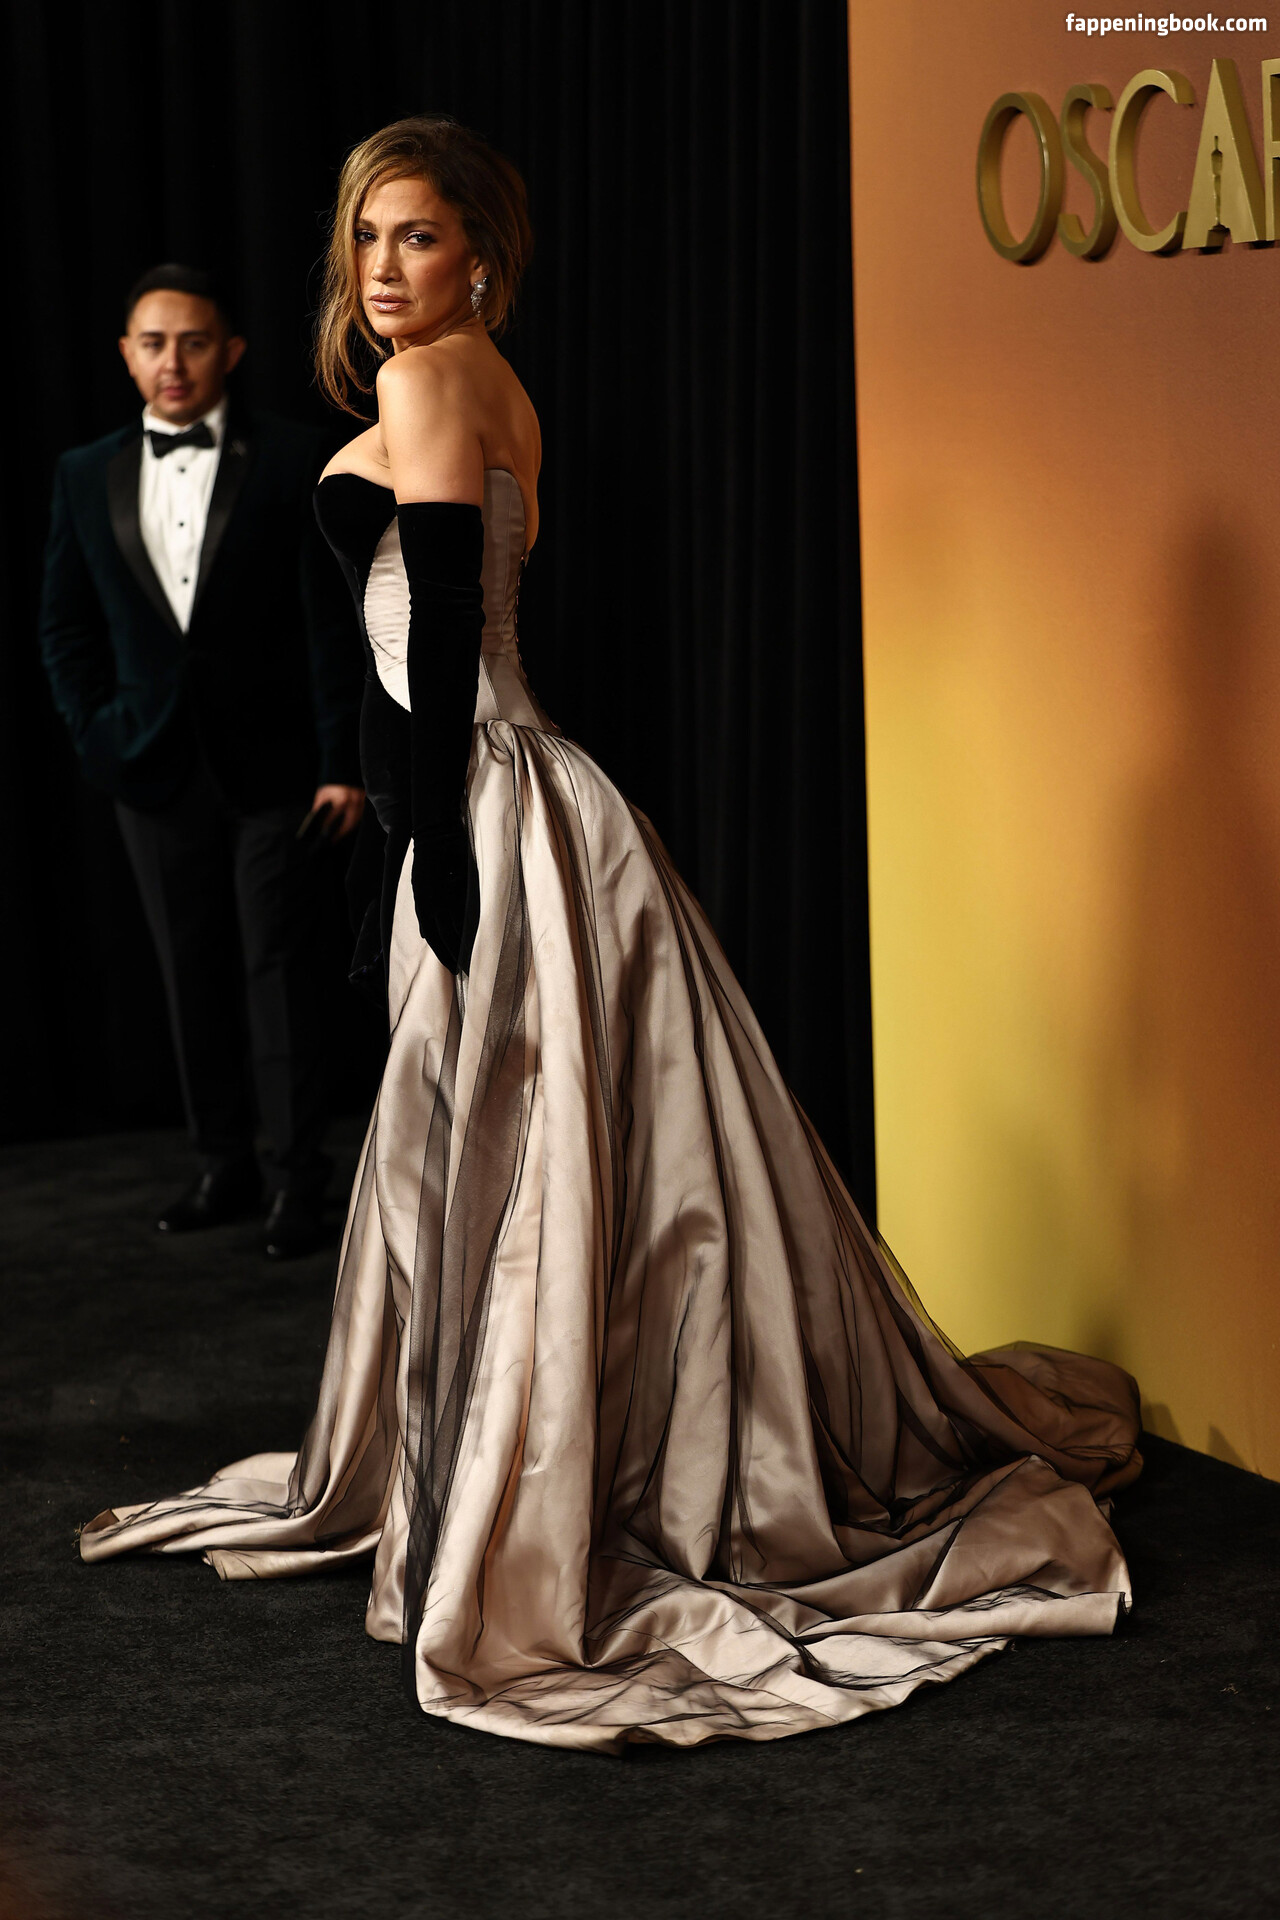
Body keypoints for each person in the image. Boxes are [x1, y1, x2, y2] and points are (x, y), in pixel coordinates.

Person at [79, 119, 1142, 1752]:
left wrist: (428, 841)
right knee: (552, 1152)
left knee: (512, 1151)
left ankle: (530, 1491)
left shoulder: (430, 382)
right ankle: (571, 1450)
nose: (383, 267)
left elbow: (443, 620)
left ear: (481, 255)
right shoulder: (489, 382)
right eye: (366, 235)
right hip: (521, 793)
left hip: (488, 801)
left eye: (418, 236)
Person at [40, 266, 366, 1259]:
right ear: (127, 354)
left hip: (279, 771)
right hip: (149, 769)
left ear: (230, 350)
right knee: (189, 973)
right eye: (152, 343)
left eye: (191, 341)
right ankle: (223, 1164)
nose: (171, 362)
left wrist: (341, 762)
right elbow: (65, 627)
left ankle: (297, 1177)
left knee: (278, 972)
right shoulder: (84, 471)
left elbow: (329, 626)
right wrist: (98, 736)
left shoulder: (293, 458)